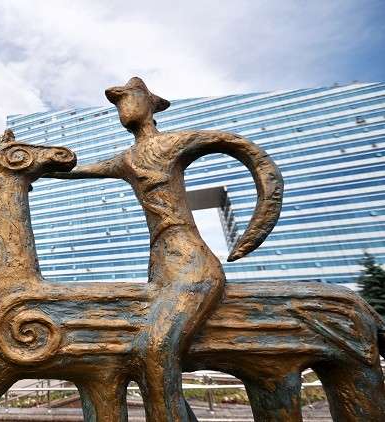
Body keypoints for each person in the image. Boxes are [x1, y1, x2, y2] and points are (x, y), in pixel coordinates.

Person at [45, 77, 282, 420]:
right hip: (160, 270)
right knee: (146, 355)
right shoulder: (127, 159)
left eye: (129, 98)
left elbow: (245, 150)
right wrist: (26, 165)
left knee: (154, 351)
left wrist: (259, 223)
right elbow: (77, 171)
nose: (122, 107)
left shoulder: (173, 144)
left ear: (150, 104)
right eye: (118, 103)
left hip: (191, 266)